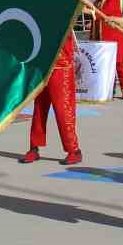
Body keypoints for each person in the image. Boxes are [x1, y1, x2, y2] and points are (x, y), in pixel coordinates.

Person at [22, 19, 81, 165]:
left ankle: (74, 150)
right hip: (42, 65)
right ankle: (34, 147)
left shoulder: (66, 5)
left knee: (63, 110)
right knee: (39, 109)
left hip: (61, 66)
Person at [92, 0, 123, 100]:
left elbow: (105, 14)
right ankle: (109, 89)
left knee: (119, 63)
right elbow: (96, 12)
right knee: (106, 64)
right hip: (102, 36)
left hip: (114, 36)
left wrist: (91, 12)